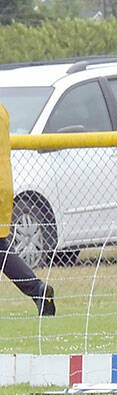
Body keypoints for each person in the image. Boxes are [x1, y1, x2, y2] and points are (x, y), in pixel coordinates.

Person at [0, 103, 54, 316]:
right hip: (4, 186)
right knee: (1, 249)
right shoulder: (3, 109)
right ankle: (37, 290)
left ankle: (37, 290)